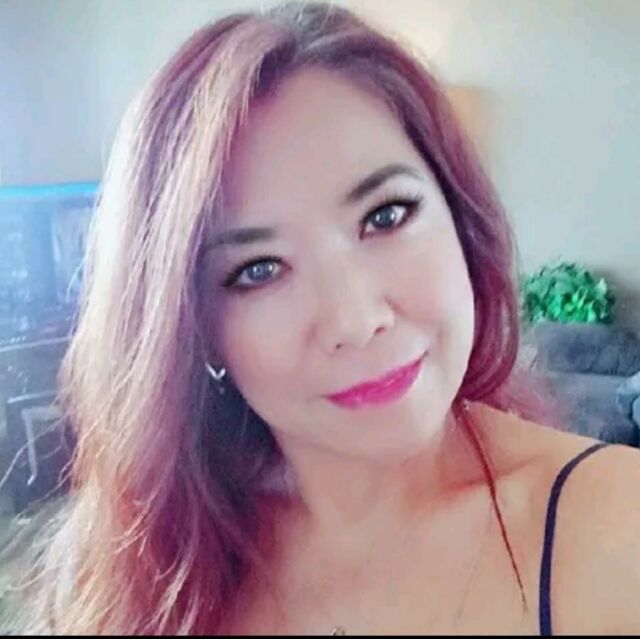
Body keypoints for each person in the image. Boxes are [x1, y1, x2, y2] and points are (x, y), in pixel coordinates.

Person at [10, 1, 640, 634]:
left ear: (459, 215)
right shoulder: (138, 566)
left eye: (386, 216)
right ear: (193, 329)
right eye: (258, 270)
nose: (355, 320)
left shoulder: (616, 532)